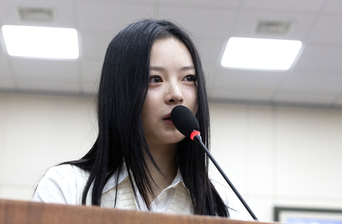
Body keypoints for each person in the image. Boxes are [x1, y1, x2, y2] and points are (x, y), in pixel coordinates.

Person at [33, 19, 246, 219]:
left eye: (188, 78)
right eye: (155, 79)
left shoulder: (222, 206)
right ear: (121, 92)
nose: (176, 94)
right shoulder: (67, 187)